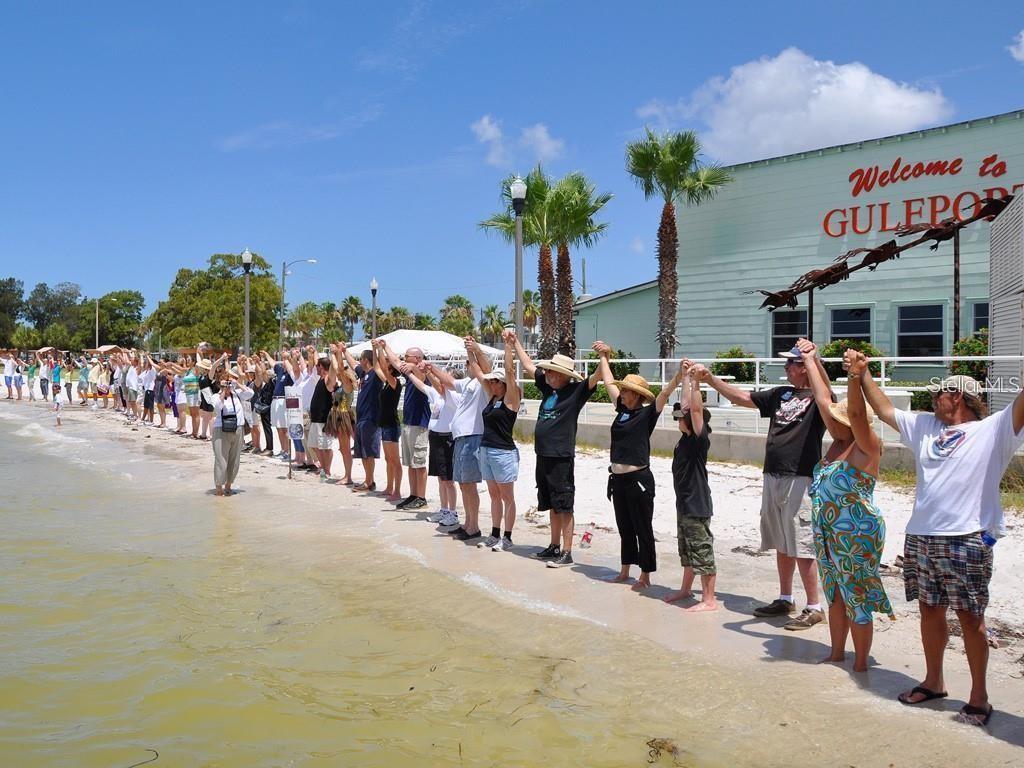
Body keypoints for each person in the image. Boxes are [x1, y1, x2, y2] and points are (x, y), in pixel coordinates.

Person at [858, 360, 1024, 727]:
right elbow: (883, 408)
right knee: (930, 611)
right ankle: (934, 682)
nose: (933, 398)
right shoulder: (924, 427)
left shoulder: (994, 430)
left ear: (960, 397)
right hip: (921, 536)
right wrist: (863, 373)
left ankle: (979, 697)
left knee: (970, 617)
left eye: (940, 392)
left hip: (966, 539)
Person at [696, 346, 826, 629]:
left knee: (802, 542)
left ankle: (814, 606)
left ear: (805, 366)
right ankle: (785, 597)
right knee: (781, 539)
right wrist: (710, 379)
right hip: (773, 475)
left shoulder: (819, 397)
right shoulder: (782, 393)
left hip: (800, 477)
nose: (786, 369)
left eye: (791, 364)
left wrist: (812, 359)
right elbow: (744, 397)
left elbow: (825, 393)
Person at [794, 340, 892, 667]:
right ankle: (837, 654)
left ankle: (861, 664)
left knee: (856, 598)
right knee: (834, 594)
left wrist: (854, 376)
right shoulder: (836, 443)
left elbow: (853, 412)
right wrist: (810, 359)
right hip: (827, 534)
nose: (830, 421)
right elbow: (823, 399)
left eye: (839, 419)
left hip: (856, 535)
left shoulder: (866, 445)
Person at [509, 331, 600, 569]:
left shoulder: (576, 391)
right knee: (550, 503)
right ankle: (554, 545)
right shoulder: (549, 388)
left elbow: (597, 377)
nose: (547, 374)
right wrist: (515, 341)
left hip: (561, 456)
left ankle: (567, 551)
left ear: (563, 375)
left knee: (564, 504)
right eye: (547, 371)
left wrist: (605, 356)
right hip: (543, 455)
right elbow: (529, 365)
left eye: (551, 371)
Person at [593, 341, 675, 588]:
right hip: (617, 479)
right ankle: (625, 569)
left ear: (637, 395)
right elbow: (608, 383)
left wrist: (680, 375)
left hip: (639, 479)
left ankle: (646, 575)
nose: (623, 393)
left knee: (642, 528)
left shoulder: (647, 414)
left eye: (627, 391)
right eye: (623, 390)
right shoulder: (622, 410)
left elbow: (664, 394)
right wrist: (604, 357)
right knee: (624, 526)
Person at [426, 337, 494, 541]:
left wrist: (474, 351)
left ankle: (473, 526)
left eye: (470, 364)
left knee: (470, 484)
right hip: (461, 439)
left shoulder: (484, 383)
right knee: (464, 484)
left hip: (472, 437)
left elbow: (486, 367)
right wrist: (432, 368)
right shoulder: (468, 383)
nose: (467, 366)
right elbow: (448, 381)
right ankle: (468, 523)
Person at [663, 361, 717, 611]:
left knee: (702, 552)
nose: (679, 416)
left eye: (682, 416)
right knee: (686, 551)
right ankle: (686, 590)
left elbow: (694, 409)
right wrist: (685, 377)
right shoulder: (684, 438)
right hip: (683, 504)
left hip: (697, 505)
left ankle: (709, 599)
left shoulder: (698, 439)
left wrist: (697, 382)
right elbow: (687, 405)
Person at [473, 334, 522, 551]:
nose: (492, 383)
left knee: (506, 496)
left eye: (496, 381)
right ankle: (494, 534)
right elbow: (478, 373)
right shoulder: (491, 397)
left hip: (503, 453)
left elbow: (510, 372)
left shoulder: (511, 399)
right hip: (486, 450)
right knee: (493, 495)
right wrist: (471, 349)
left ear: (504, 384)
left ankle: (508, 537)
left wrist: (509, 346)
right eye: (491, 381)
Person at [383, 341, 430, 510]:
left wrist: (412, 365)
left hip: (420, 424)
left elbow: (420, 374)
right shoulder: (409, 374)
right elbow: (395, 362)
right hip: (408, 423)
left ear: (417, 358)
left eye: (407, 356)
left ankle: (422, 497)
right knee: (411, 463)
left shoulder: (422, 372)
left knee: (419, 462)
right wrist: (385, 347)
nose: (403, 359)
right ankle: (413, 494)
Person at [417, 365, 462, 526]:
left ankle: (453, 512)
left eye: (445, 377)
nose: (442, 380)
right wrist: (409, 373)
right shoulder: (439, 396)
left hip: (447, 439)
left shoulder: (455, 396)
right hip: (435, 437)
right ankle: (444, 509)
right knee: (440, 478)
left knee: (449, 480)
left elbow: (440, 386)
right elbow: (422, 386)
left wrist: (429, 372)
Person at [208, 365, 253, 496]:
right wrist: (223, 391)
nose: (228, 387)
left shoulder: (237, 395)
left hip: (238, 430)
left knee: (234, 461)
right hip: (221, 431)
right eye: (224, 385)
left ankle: (228, 486)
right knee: (221, 460)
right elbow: (217, 407)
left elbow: (250, 393)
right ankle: (219, 489)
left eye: (228, 384)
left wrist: (237, 383)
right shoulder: (216, 396)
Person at [343, 346, 383, 492]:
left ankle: (369, 482)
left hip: (370, 419)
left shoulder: (375, 374)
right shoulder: (363, 374)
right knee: (362, 453)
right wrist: (343, 351)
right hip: (361, 419)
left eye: (361, 358)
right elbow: (353, 364)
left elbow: (379, 365)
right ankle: (368, 480)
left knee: (368, 453)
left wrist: (376, 348)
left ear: (366, 360)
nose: (359, 361)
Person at [373, 339, 404, 501]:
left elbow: (383, 367)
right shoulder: (386, 383)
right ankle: (389, 487)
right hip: (385, 424)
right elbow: (378, 367)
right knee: (388, 459)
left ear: (392, 370)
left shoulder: (395, 383)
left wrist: (381, 349)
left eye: (389, 368)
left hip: (392, 425)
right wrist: (375, 349)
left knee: (394, 460)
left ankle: (397, 491)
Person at [324, 342, 357, 485]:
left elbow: (340, 371)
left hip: (343, 416)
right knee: (343, 448)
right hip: (337, 415)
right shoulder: (341, 386)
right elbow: (337, 370)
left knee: (345, 448)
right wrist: (335, 354)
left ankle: (348, 476)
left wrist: (338, 353)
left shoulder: (348, 386)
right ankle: (346, 475)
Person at [308, 347, 340, 482]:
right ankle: (323, 468)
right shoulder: (320, 379)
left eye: (317, 366)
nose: (315, 368)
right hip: (315, 419)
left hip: (323, 420)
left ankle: (327, 470)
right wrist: (313, 352)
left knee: (326, 447)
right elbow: (318, 362)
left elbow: (334, 370)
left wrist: (334, 354)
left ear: (322, 367)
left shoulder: (328, 379)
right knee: (314, 445)